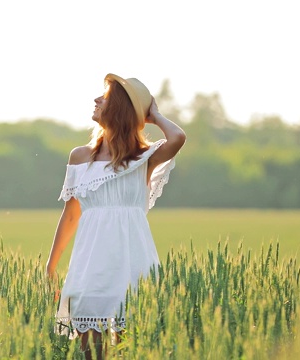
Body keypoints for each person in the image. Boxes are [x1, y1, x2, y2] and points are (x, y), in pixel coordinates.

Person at [45, 73, 186, 359]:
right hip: (90, 261)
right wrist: (52, 264)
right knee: (90, 346)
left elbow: (177, 138)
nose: (97, 100)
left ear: (120, 109)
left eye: (105, 98)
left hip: (131, 258)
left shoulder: (143, 157)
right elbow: (71, 215)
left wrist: (154, 115)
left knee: (129, 342)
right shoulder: (80, 157)